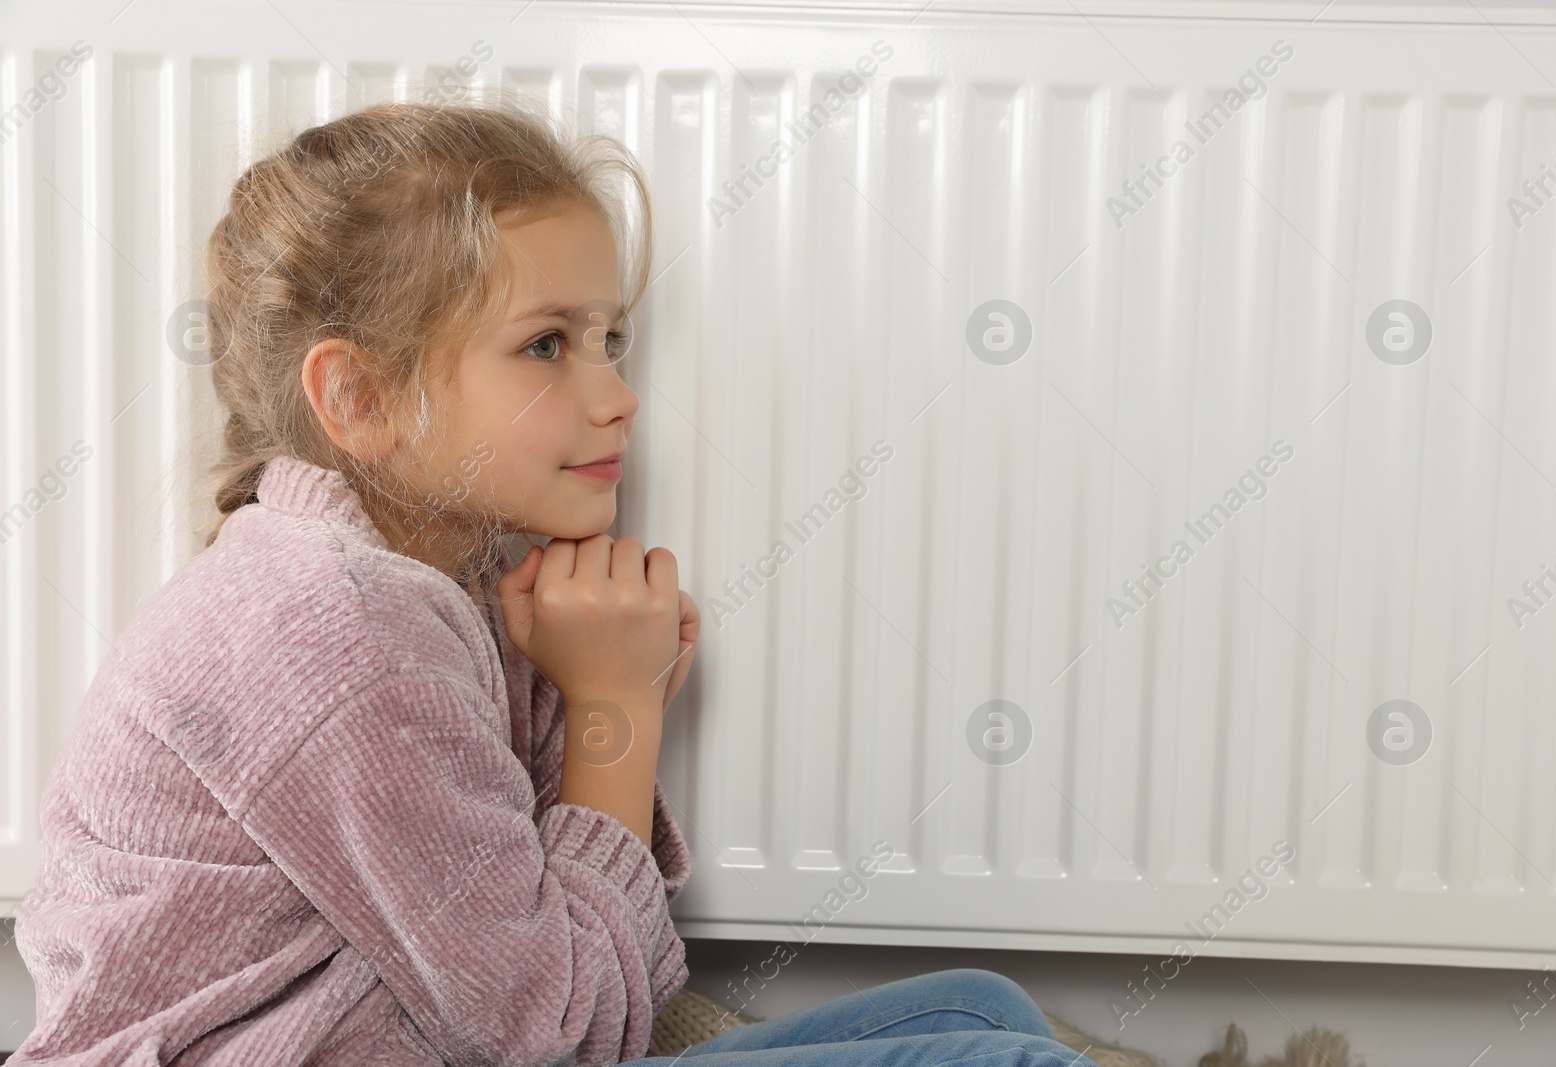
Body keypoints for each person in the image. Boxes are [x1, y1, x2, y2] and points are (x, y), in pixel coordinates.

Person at [8, 97, 1094, 1067]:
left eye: (610, 338)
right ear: (361, 400)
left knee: (985, 1008)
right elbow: (566, 1030)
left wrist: (578, 683)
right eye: (546, 346)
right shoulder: (335, 628)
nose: (617, 392)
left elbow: (550, 930)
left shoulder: (448, 582)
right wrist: (611, 709)